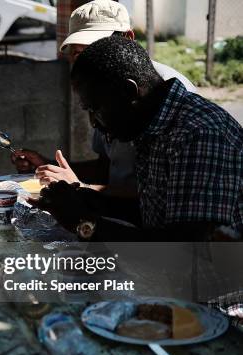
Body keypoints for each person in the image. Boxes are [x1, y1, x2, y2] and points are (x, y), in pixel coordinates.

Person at [31, 35, 242, 241]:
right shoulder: (150, 125)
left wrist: (83, 222)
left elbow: (186, 256)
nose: (94, 123)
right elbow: (153, 216)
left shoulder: (197, 135)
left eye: (96, 108)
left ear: (129, 92)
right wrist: (88, 201)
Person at [12, 0, 197, 198]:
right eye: (78, 53)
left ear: (128, 38)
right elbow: (107, 169)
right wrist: (52, 168)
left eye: (95, 47)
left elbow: (157, 201)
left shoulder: (167, 97)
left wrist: (79, 188)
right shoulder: (101, 90)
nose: (87, 62)